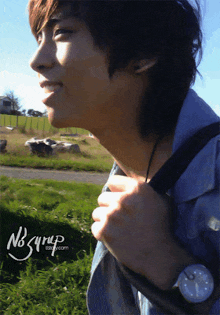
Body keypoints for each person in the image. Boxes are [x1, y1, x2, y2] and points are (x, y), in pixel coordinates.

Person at [28, 0, 220, 313]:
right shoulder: (124, 175)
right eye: (39, 38)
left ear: (144, 51)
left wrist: (167, 263)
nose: (37, 60)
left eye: (62, 33)